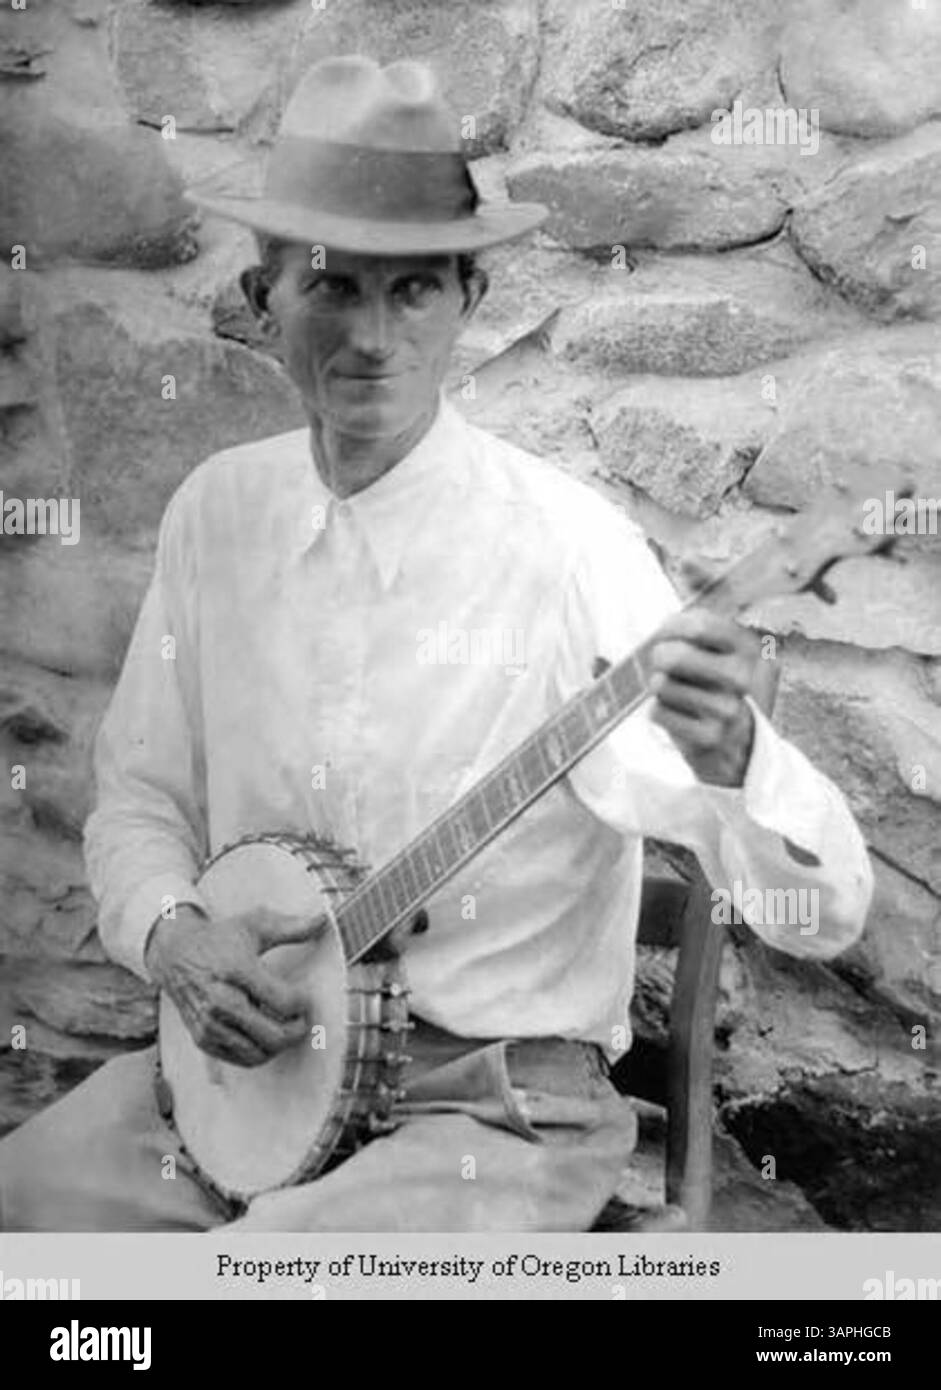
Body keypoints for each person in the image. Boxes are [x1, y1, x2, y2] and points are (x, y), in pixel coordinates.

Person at [0, 55, 873, 1233]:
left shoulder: (570, 551)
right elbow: (136, 803)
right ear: (263, 300)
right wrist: (176, 936)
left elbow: (820, 919)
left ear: (467, 300)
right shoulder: (215, 513)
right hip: (241, 1085)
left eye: (411, 289)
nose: (369, 336)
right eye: (330, 286)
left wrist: (733, 768)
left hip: (486, 1115)